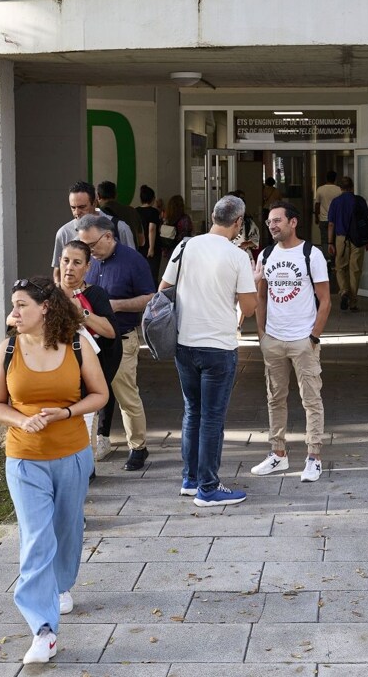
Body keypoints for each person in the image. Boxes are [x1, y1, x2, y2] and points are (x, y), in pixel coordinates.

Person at [0, 277, 108, 665]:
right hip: (23, 458)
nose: (14, 312)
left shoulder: (77, 344)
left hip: (72, 454)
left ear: (46, 309)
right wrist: (21, 422)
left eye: (22, 305)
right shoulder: (7, 349)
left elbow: (100, 394)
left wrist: (67, 412)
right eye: (13, 305)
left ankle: (61, 585)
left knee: (67, 528)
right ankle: (43, 629)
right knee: (36, 538)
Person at [160, 194, 258, 506]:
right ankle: (208, 488)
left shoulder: (185, 245)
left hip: (185, 343)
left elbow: (163, 291)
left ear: (213, 217)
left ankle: (190, 479)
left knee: (193, 412)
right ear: (239, 222)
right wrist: (253, 280)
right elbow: (249, 308)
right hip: (218, 346)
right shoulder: (238, 257)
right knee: (213, 418)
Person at [250, 201, 331, 483]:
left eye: (277, 220)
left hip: (302, 340)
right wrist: (261, 334)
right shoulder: (266, 255)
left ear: (293, 222)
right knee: (275, 398)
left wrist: (313, 337)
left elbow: (325, 300)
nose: (272, 225)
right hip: (274, 339)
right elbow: (260, 297)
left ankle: (314, 457)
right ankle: (278, 453)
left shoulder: (312, 254)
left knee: (311, 400)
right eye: (269, 221)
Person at [76, 214, 156, 472]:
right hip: (89, 340)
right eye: (83, 246)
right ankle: (85, 456)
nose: (88, 251)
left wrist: (116, 305)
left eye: (91, 245)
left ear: (108, 236)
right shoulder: (89, 263)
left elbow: (150, 298)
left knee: (126, 395)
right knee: (87, 399)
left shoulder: (133, 261)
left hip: (121, 338)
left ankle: (138, 447)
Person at [56, 240, 122, 463]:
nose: (70, 267)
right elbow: (15, 319)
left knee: (83, 431)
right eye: (66, 261)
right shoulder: (46, 295)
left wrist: (82, 312)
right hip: (53, 376)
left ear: (87, 267)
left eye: (77, 263)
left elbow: (111, 331)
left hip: (85, 377)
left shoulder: (96, 295)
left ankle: (83, 471)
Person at [51, 181, 135, 284]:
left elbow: (133, 264)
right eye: (73, 208)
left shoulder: (120, 228)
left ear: (95, 203)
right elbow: (58, 271)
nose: (77, 213)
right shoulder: (64, 233)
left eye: (82, 207)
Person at [327, 176, 368, 313]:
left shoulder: (336, 202)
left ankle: (344, 291)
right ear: (352, 187)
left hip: (341, 238)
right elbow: (365, 221)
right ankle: (353, 302)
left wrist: (330, 242)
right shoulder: (360, 200)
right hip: (357, 238)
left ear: (340, 188)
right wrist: (367, 239)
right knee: (355, 270)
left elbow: (331, 224)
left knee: (340, 267)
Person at [97, 180, 145, 250]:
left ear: (98, 196)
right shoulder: (132, 211)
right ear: (116, 195)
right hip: (132, 256)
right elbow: (141, 242)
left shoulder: (98, 215)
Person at [135, 185, 163, 279]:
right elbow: (152, 229)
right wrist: (151, 248)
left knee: (140, 274)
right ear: (152, 198)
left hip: (139, 247)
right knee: (152, 275)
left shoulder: (136, 211)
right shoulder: (153, 212)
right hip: (151, 248)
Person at [313, 170, 341, 257]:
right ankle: (334, 260)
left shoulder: (320, 189)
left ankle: (326, 259)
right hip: (336, 220)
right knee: (335, 239)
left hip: (323, 219)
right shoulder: (339, 190)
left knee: (325, 240)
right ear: (335, 179)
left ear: (326, 178)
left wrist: (316, 217)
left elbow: (317, 204)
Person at [159, 194, 194, 259]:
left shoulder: (167, 219)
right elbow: (187, 233)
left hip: (169, 249)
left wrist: (164, 250)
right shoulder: (185, 219)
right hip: (182, 249)